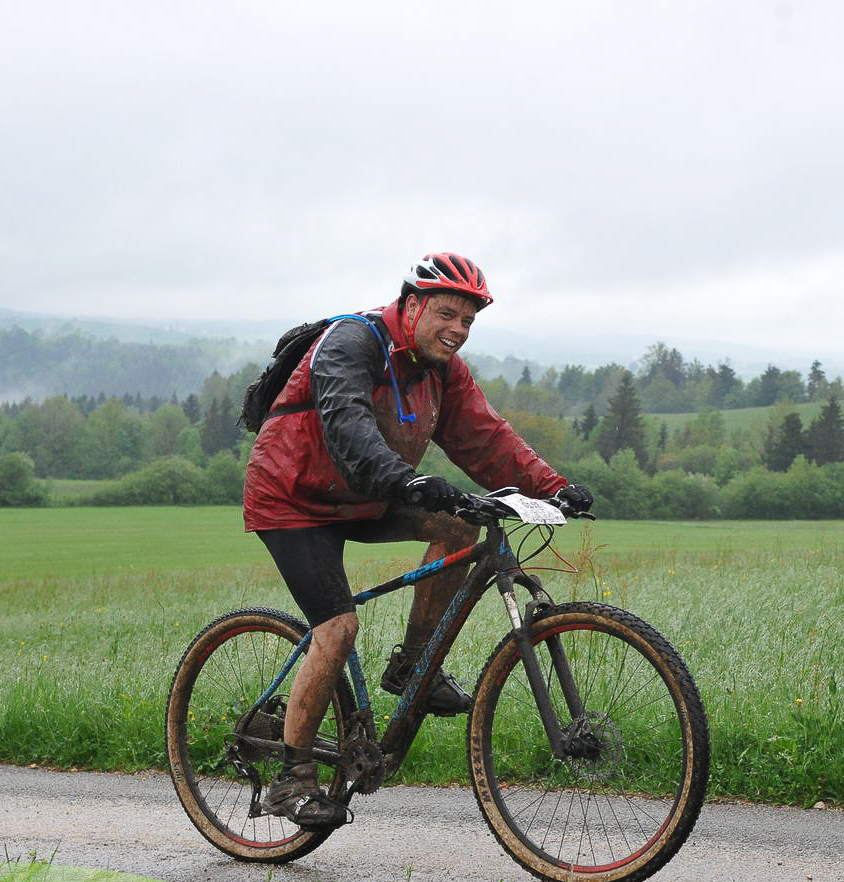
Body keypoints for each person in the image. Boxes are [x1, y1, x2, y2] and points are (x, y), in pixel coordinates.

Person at [242, 252, 592, 829]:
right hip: (293, 497)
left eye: (468, 321)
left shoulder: (441, 370)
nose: (458, 329)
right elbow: (348, 426)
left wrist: (554, 486)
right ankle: (292, 777)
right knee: (338, 627)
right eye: (446, 314)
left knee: (458, 524)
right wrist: (406, 480)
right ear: (410, 305)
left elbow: (486, 438)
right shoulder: (350, 344)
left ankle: (412, 666)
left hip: (366, 493)